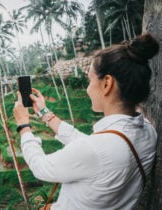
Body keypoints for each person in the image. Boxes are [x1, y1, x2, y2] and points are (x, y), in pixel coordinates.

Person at [13, 33, 159, 210]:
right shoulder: (148, 131)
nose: (88, 89)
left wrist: (23, 125)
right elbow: (90, 147)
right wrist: (45, 113)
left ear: (106, 84)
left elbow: (41, 167)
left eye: (90, 80)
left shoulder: (97, 149)